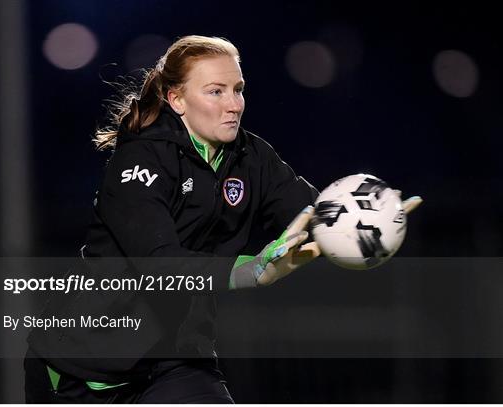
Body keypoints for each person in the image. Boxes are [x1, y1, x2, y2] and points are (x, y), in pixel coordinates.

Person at [24, 35, 421, 403]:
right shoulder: (138, 161)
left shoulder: (251, 156)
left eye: (238, 90)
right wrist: (246, 271)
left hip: (176, 359)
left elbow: (311, 213)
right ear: (176, 99)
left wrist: (367, 224)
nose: (234, 104)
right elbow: (159, 263)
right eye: (215, 91)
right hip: (85, 363)